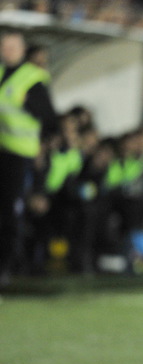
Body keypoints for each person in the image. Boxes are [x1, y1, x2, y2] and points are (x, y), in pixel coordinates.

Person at [0, 31, 57, 287]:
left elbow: (49, 118)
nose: (7, 50)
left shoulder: (33, 78)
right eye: (4, 45)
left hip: (17, 154)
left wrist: (27, 105)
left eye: (12, 46)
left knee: (8, 215)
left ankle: (5, 268)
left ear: (23, 49)